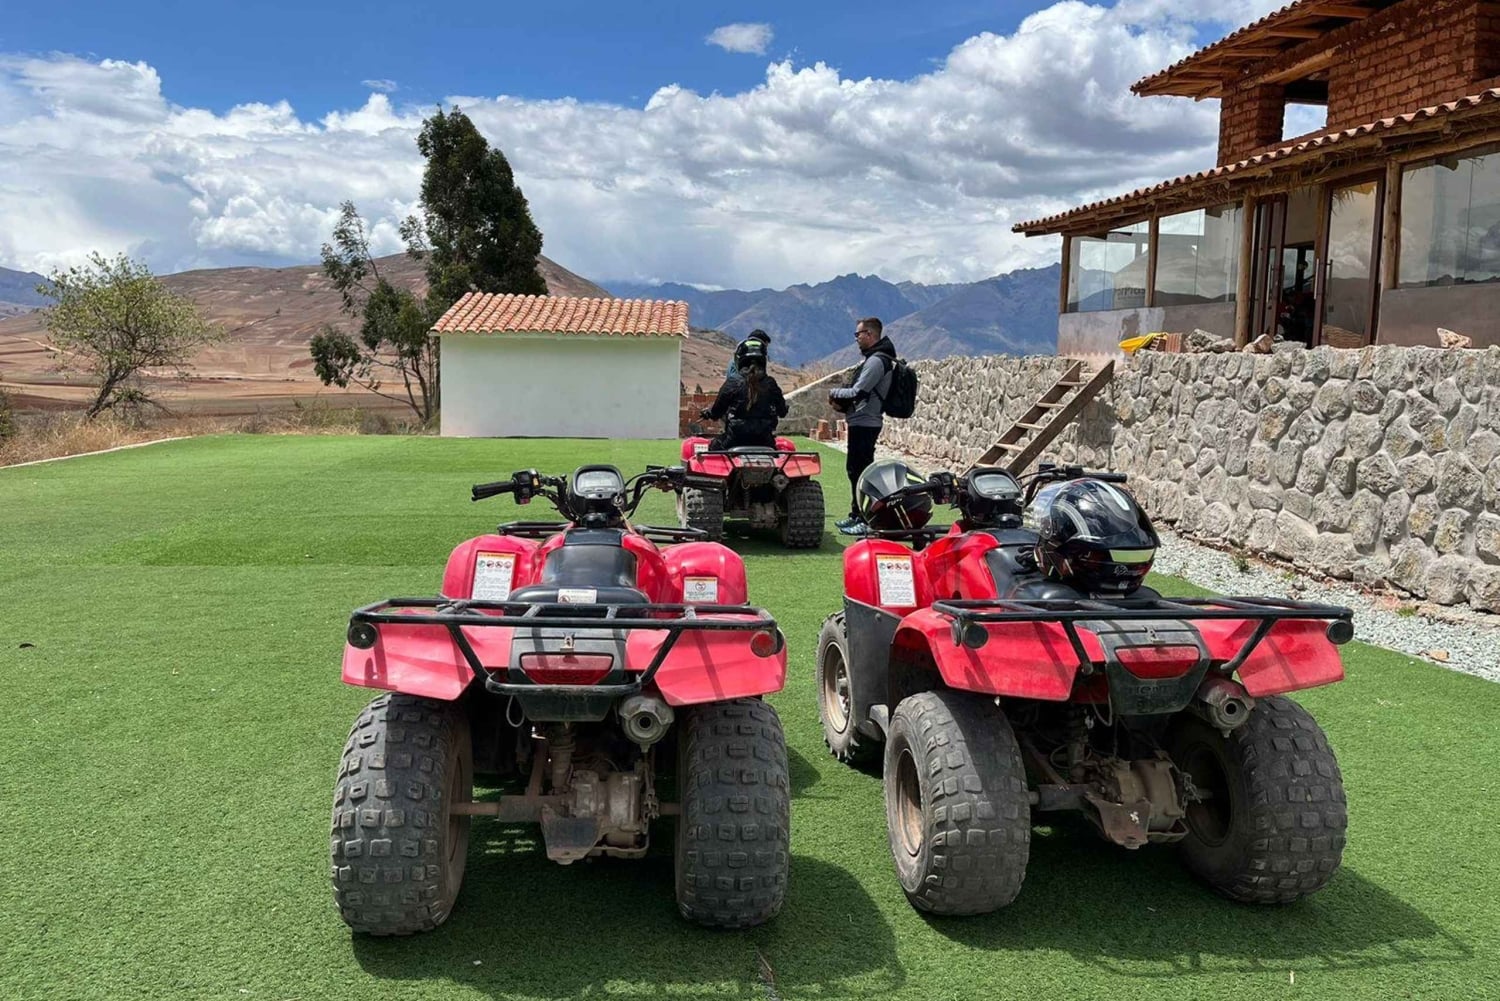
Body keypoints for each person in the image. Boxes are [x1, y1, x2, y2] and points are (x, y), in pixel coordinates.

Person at [829, 316, 896, 535]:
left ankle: (868, 520)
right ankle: (856, 514)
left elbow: (859, 392)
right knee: (854, 471)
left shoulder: (876, 361)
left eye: (858, 334)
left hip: (866, 423)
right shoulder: (874, 359)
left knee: (862, 473)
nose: (856, 339)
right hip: (861, 422)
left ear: (870, 334)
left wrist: (834, 393)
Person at [702, 335, 787, 449]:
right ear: (763, 359)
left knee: (711, 450)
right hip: (765, 441)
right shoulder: (770, 383)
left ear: (739, 359)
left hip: (734, 440)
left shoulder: (733, 382)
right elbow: (782, 411)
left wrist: (709, 413)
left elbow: (717, 411)